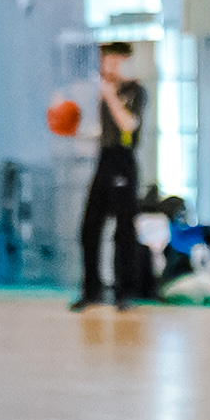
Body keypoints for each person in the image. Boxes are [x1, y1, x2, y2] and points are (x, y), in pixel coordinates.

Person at [62, 41, 145, 311]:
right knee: (90, 228)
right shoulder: (100, 91)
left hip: (124, 160)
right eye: (104, 60)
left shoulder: (134, 91)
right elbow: (100, 130)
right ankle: (91, 290)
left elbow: (129, 125)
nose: (107, 66)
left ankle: (124, 293)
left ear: (123, 62)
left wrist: (110, 97)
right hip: (105, 158)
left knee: (123, 230)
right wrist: (74, 130)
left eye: (112, 60)